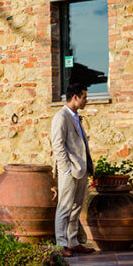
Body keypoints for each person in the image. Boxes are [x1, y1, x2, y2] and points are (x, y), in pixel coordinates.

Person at [50, 82, 95, 256]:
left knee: (76, 207)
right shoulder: (61, 117)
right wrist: (67, 169)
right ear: (75, 97)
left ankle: (73, 241)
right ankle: (61, 244)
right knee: (64, 207)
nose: (86, 101)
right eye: (84, 97)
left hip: (81, 170)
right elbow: (58, 145)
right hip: (69, 170)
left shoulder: (76, 116)